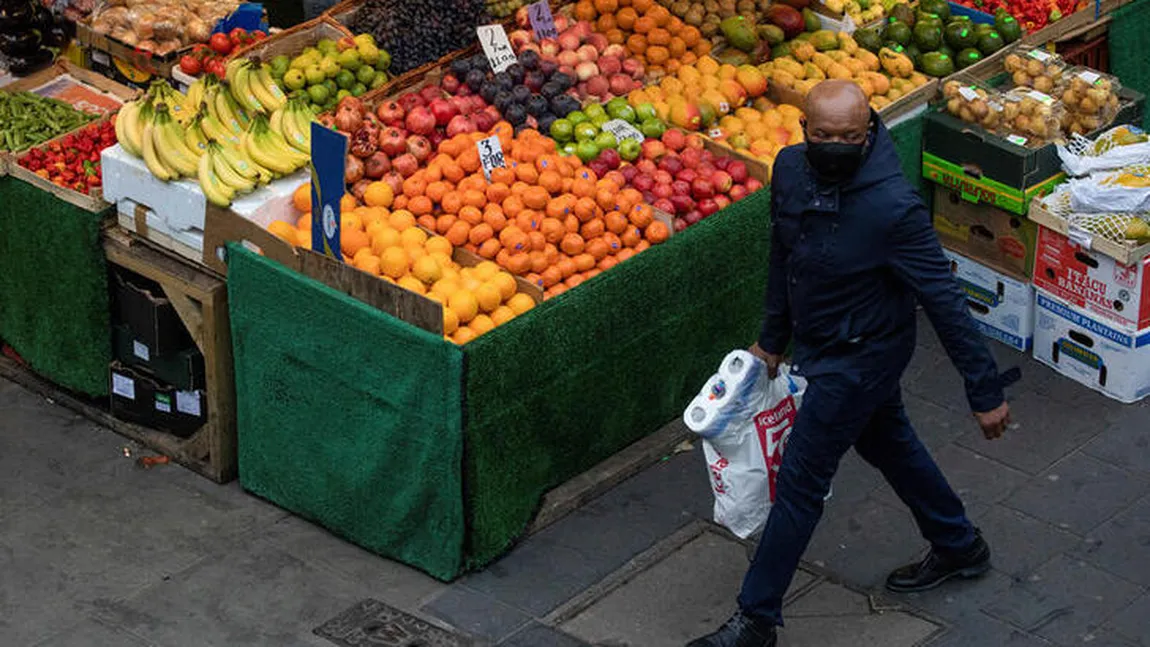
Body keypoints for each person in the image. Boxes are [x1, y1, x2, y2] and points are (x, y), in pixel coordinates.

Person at [686, 80, 1014, 647]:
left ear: (868, 135)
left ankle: (755, 620)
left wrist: (984, 390)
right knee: (886, 439)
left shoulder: (893, 207)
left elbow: (942, 297)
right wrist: (772, 339)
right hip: (821, 344)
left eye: (849, 136)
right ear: (804, 131)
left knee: (800, 481)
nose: (836, 145)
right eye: (824, 135)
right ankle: (960, 544)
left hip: (866, 355)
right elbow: (783, 256)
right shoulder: (789, 170)